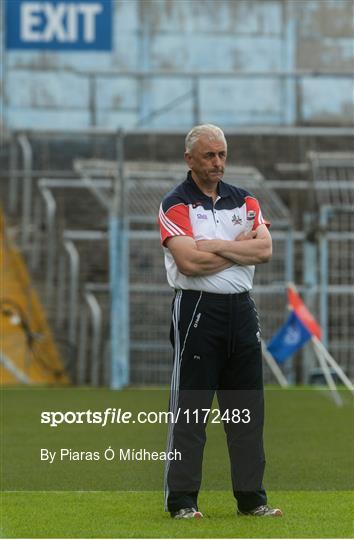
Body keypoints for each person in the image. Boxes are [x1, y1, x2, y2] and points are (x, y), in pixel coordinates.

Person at [158, 124, 282, 520]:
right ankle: (182, 502)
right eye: (209, 155)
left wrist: (219, 247)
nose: (218, 163)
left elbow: (264, 250)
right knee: (191, 413)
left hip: (241, 311)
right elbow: (189, 263)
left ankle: (252, 500)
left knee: (246, 412)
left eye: (222, 154)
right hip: (197, 310)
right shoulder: (175, 204)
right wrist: (239, 247)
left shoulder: (245, 200)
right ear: (189, 159)